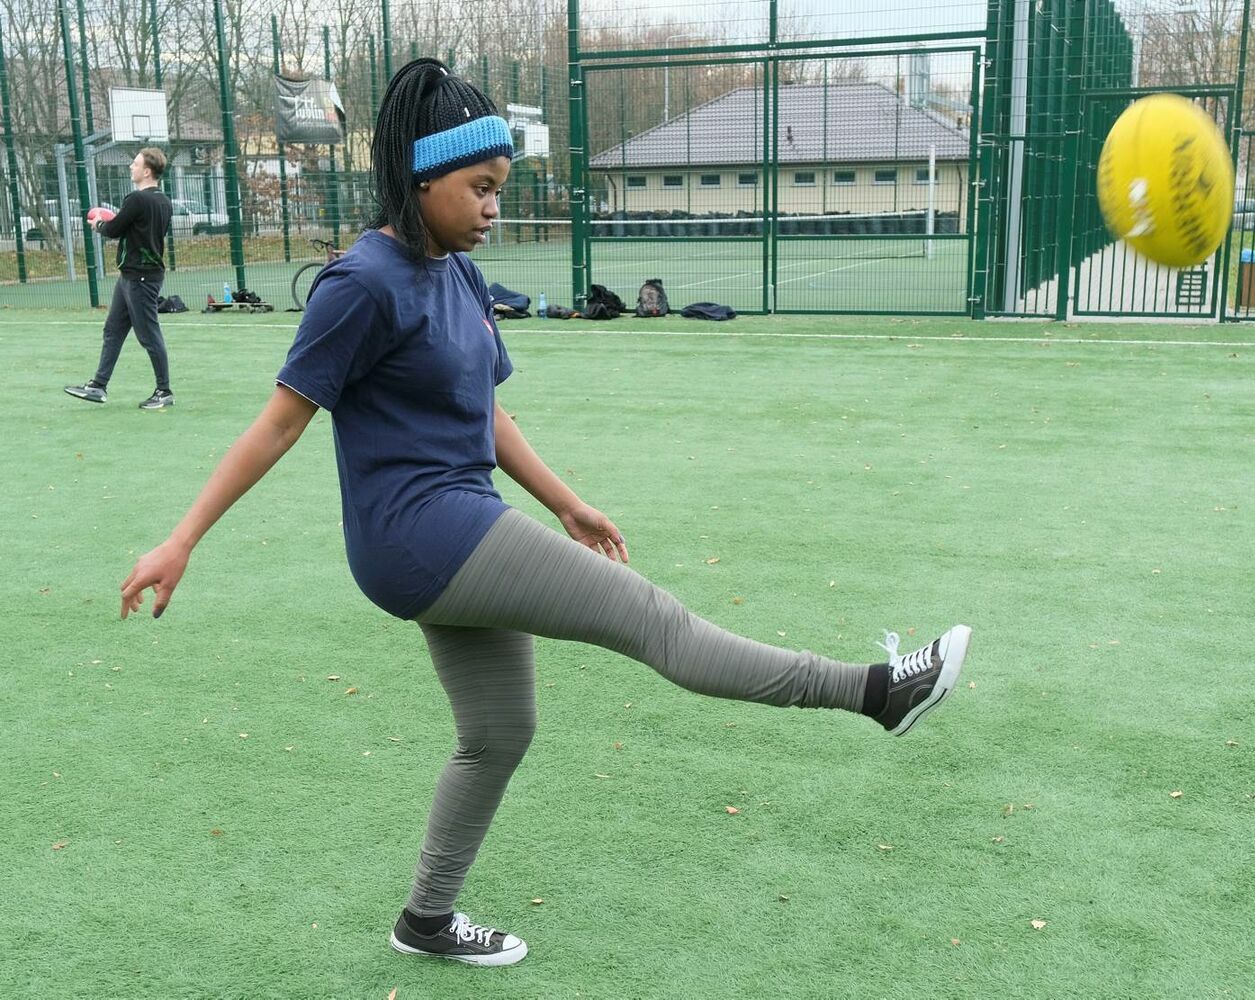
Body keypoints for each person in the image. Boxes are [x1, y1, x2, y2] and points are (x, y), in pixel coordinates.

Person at [118, 60, 971, 969]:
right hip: (420, 534)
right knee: (651, 618)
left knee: (498, 733)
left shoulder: (457, 276)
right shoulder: (358, 282)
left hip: (458, 519)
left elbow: (487, 410)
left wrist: (566, 502)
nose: (493, 207)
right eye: (480, 188)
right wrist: (182, 538)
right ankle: (876, 694)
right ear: (421, 180)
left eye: (499, 189)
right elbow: (278, 425)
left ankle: (426, 922)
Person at [64, 147, 175, 410]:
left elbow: (114, 229)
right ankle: (98, 386)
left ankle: (164, 391)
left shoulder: (137, 200)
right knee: (113, 330)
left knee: (149, 334)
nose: (130, 167)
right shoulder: (164, 201)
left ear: (147, 171)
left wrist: (98, 224)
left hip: (141, 278)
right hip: (132, 276)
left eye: (135, 164)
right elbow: (136, 230)